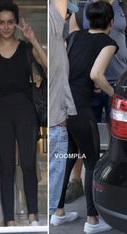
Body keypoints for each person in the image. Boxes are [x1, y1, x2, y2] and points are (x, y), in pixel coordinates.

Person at [51, 2, 118, 233]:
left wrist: (91, 86)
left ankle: (58, 212)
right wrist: (114, 93)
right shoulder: (108, 43)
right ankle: (92, 220)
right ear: (110, 22)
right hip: (80, 108)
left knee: (69, 158)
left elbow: (72, 70)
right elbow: (96, 74)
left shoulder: (74, 37)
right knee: (91, 161)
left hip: (64, 106)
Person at [0, 2, 47, 226]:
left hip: (25, 110)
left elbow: (49, 67)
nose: (6, 27)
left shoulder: (26, 48)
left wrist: (33, 39)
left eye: (10, 22)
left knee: (28, 163)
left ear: (15, 23)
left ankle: (33, 215)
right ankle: (8, 219)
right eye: (1, 22)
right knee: (5, 166)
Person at [65, 0, 127, 204]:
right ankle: (87, 204)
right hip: (90, 91)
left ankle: (112, 181)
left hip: (112, 80)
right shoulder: (83, 9)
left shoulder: (122, 6)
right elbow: (92, 71)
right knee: (85, 149)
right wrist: (114, 94)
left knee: (114, 136)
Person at [49, 0, 77, 216]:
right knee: (52, 179)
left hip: (53, 118)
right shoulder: (55, 30)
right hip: (55, 121)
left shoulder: (58, 41)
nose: (67, 17)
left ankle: (56, 213)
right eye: (67, 13)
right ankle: (52, 214)